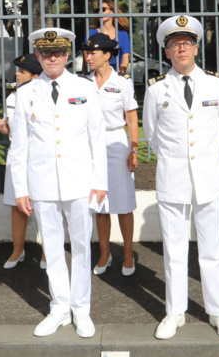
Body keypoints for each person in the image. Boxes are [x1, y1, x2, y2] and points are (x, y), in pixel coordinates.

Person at [142, 15, 219, 340]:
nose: (181, 48)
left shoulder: (215, 84)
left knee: (212, 251)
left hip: (209, 180)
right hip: (173, 181)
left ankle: (218, 312)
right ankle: (174, 312)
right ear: (167, 52)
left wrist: (203, 160)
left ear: (196, 48)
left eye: (186, 42)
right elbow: (153, 136)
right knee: (174, 251)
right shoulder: (156, 90)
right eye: (174, 44)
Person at [8, 27, 107, 339]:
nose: (53, 57)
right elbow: (19, 146)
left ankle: (81, 308)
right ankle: (60, 306)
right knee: (51, 246)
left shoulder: (85, 88)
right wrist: (21, 189)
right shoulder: (25, 94)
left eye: (59, 52)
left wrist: (100, 181)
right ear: (38, 56)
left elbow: (97, 138)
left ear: (67, 55)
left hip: (79, 181)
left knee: (80, 246)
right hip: (42, 183)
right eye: (46, 53)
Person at [83, 33, 139, 276]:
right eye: (86, 53)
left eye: (92, 53)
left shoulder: (122, 83)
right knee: (99, 203)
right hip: (90, 145)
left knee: (124, 204)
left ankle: (127, 253)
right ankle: (104, 253)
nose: (88, 57)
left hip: (116, 142)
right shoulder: (83, 82)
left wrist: (134, 148)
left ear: (107, 55)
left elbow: (131, 116)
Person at [0, 54, 46, 270]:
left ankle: (47, 252)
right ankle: (17, 249)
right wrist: (0, 125)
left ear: (35, 75)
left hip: (39, 154)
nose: (17, 74)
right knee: (16, 205)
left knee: (43, 203)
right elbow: (10, 129)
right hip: (17, 154)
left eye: (22, 71)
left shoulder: (43, 96)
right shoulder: (12, 97)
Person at [89, 0, 131, 73]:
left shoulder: (123, 34)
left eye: (103, 9)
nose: (99, 12)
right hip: (97, 74)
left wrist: (120, 75)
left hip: (116, 74)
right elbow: (87, 56)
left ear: (112, 12)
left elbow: (125, 58)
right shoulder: (91, 33)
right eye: (98, 10)